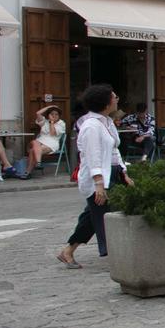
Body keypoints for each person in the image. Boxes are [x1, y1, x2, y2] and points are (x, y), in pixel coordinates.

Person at [55, 84, 127, 268]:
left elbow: (113, 150)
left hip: (113, 173)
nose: (117, 98)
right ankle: (119, 255)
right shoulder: (91, 126)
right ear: (105, 103)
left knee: (92, 217)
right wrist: (99, 184)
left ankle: (68, 251)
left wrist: (124, 171)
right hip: (100, 177)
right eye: (113, 97)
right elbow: (93, 157)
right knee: (103, 217)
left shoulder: (107, 122)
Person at [26, 105, 66, 176]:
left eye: (56, 114)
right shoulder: (44, 121)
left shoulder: (61, 123)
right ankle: (38, 163)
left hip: (51, 143)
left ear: (59, 116)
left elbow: (52, 133)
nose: (54, 115)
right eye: (52, 114)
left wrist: (51, 122)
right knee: (35, 142)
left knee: (33, 150)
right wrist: (49, 107)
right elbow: (38, 113)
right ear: (48, 115)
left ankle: (27, 172)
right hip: (40, 141)